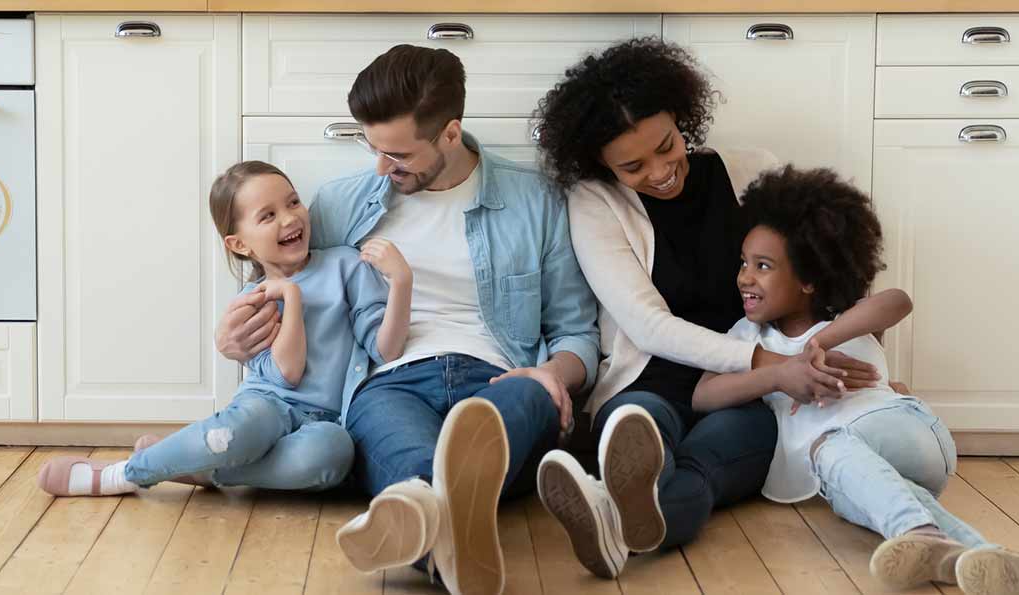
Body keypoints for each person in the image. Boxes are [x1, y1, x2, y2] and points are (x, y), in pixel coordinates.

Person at [216, 45, 601, 595]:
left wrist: (553, 376)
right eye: (372, 148)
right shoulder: (342, 205)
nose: (380, 167)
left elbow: (575, 332)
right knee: (411, 463)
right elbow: (275, 282)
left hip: (499, 379)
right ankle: (453, 526)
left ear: (449, 134)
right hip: (387, 382)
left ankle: (430, 533)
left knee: (520, 402)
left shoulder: (534, 200)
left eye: (397, 154)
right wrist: (231, 336)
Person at [528, 37, 885, 578]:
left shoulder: (750, 170)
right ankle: (627, 504)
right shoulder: (594, 201)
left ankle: (611, 518)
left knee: (703, 469)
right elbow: (647, 326)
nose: (659, 171)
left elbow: (822, 275)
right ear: (600, 163)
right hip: (651, 379)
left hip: (747, 391)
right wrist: (775, 367)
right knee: (635, 428)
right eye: (632, 166)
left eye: (667, 146)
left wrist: (881, 377)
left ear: (681, 116)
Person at [692, 166, 1019, 595]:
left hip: (902, 430)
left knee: (828, 447)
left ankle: (919, 534)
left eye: (763, 265)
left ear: (810, 279)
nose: (744, 276)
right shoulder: (748, 337)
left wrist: (819, 344)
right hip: (850, 478)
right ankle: (1002, 565)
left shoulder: (844, 319)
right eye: (744, 262)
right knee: (881, 496)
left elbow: (897, 301)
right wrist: (778, 373)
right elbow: (704, 395)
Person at [36, 160, 411, 497]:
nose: (290, 218)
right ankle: (123, 474)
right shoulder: (251, 301)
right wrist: (292, 298)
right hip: (267, 405)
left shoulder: (346, 265)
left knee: (334, 454)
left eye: (293, 202)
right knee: (234, 434)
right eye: (268, 215)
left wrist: (401, 283)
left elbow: (385, 350)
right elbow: (288, 374)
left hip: (328, 420)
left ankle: (197, 469)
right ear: (239, 244)